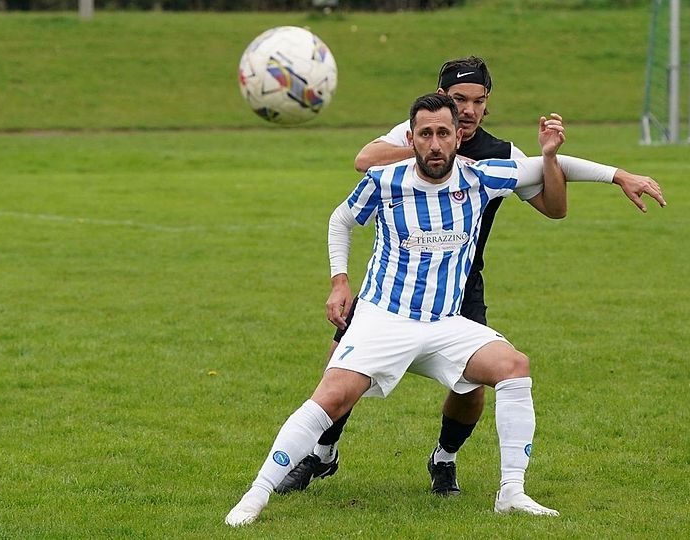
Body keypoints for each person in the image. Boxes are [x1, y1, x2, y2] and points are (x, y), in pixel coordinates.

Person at [276, 56, 666, 497]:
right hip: (397, 285)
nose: (468, 110)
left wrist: (593, 169)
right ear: (441, 98)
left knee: (473, 386)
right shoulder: (422, 132)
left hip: (461, 284)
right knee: (339, 364)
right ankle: (322, 453)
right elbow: (364, 159)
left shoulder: (501, 154)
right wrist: (436, 151)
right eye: (459, 99)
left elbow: (555, 208)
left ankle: (444, 459)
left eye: (478, 101)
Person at [226, 93, 568, 527]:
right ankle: (256, 494)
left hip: (445, 325)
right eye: (425, 134)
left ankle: (512, 493)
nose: (435, 144)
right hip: (383, 320)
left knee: (515, 366)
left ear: (458, 138)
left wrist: (574, 162)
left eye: (443, 133)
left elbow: (561, 174)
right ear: (411, 138)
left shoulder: (482, 176)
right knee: (331, 396)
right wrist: (339, 280)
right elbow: (341, 219)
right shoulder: (384, 180)